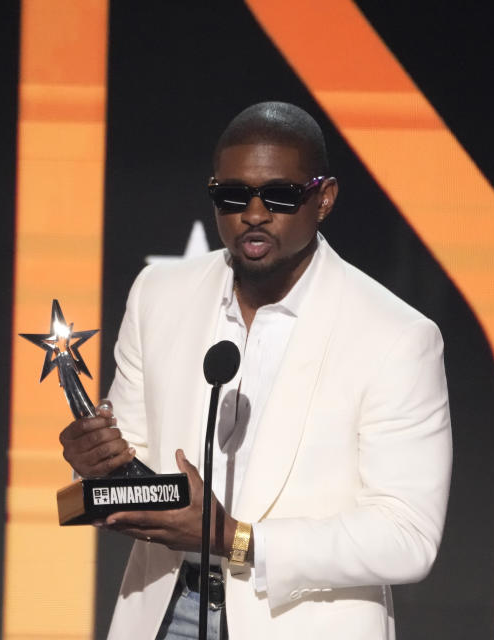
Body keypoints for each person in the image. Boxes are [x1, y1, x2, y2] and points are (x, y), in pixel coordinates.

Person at [59, 102, 452, 639]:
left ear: (324, 198)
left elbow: (407, 537)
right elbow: (137, 472)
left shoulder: (395, 336)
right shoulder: (159, 295)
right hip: (163, 612)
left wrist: (238, 539)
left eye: (282, 195)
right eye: (233, 195)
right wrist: (97, 472)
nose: (255, 212)